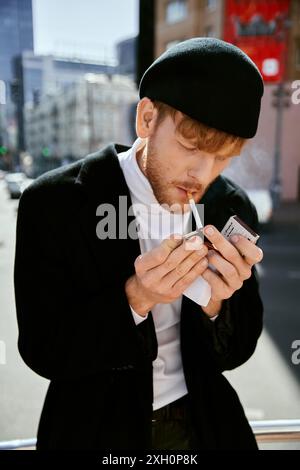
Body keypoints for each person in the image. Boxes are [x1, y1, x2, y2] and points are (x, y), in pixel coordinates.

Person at [14, 38, 264, 450]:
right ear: (147, 118)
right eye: (191, 146)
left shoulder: (230, 206)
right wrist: (135, 298)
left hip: (204, 426)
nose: (203, 174)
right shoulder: (55, 202)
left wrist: (219, 305)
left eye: (224, 157)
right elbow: (43, 349)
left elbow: (236, 352)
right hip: (95, 432)